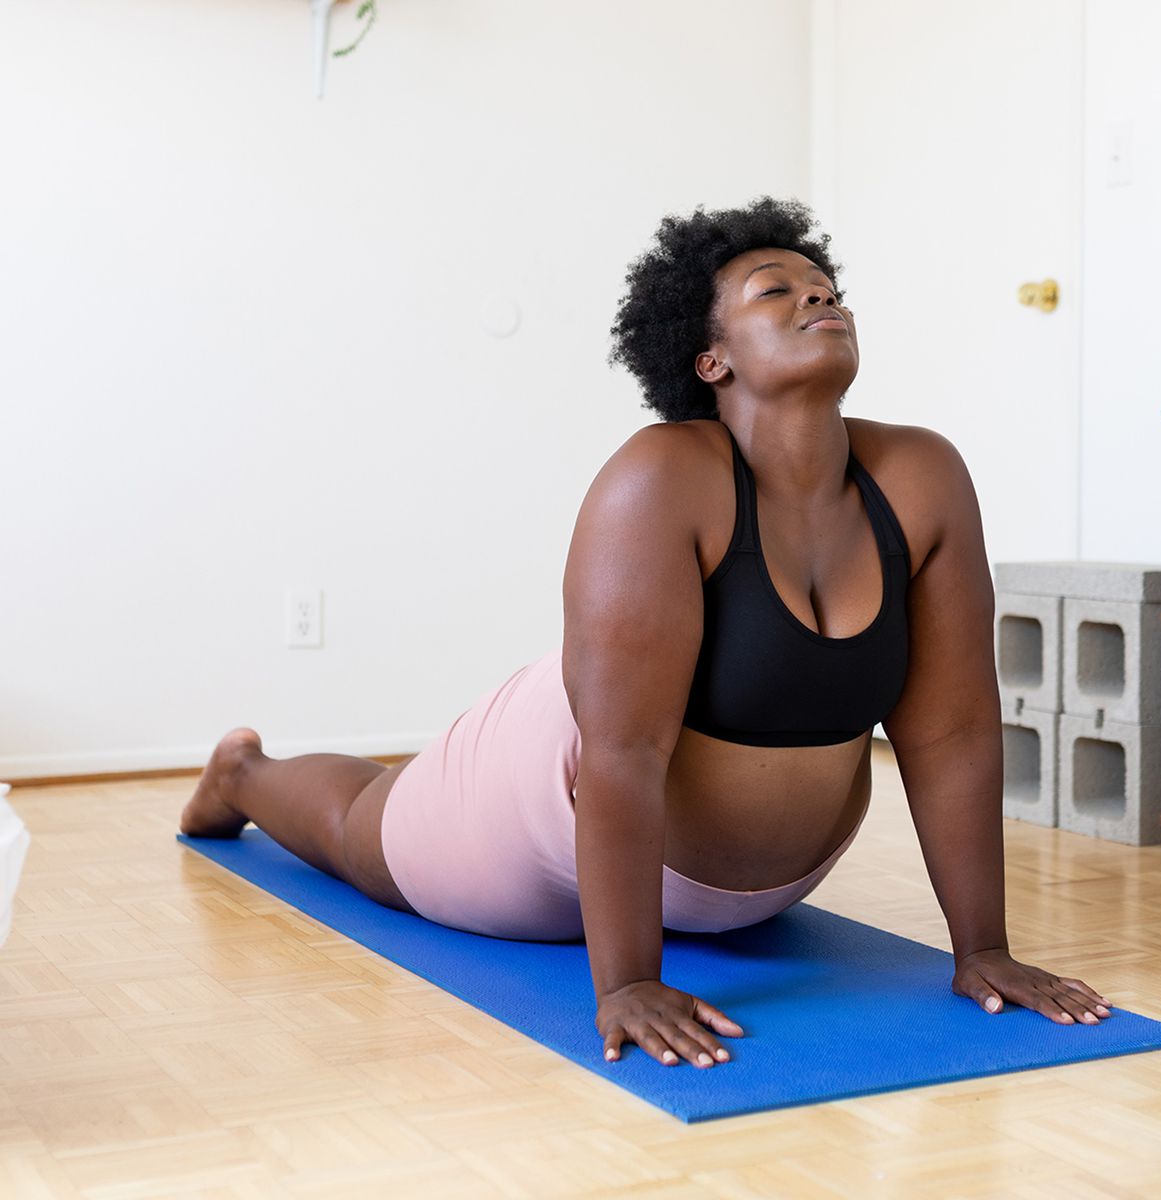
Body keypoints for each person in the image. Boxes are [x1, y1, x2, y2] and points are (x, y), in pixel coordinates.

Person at [181, 197, 1111, 1072]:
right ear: (712, 360)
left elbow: (949, 733)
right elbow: (619, 751)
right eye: (774, 290)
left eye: (824, 283)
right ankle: (243, 775)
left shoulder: (922, 474)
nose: (819, 294)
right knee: (365, 834)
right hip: (549, 796)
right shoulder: (660, 477)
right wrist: (625, 978)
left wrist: (984, 948)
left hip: (751, 890)